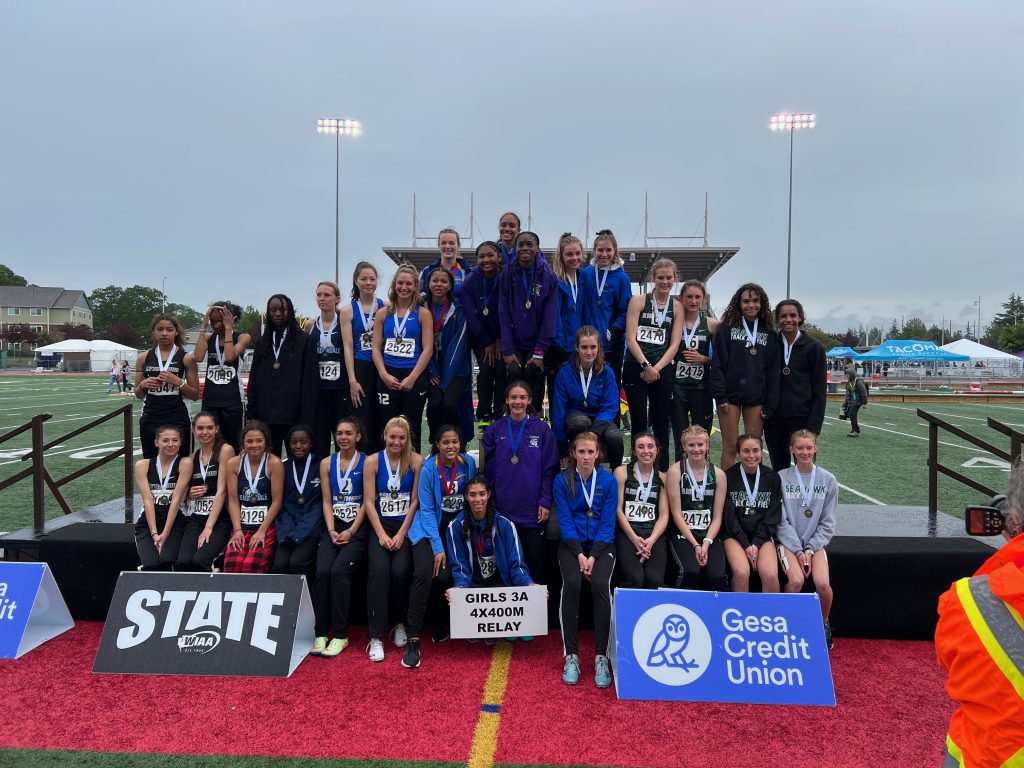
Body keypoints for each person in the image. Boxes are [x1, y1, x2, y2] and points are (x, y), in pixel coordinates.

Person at [937, 462, 1024, 767]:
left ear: (1012, 520)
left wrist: (1011, 550)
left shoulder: (968, 599)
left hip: (994, 753)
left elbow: (950, 661)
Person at [404, 425, 476, 667]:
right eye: (445, 442)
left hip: (454, 532)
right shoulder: (428, 469)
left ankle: (442, 621)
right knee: (426, 571)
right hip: (427, 531)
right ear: (437, 444)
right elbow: (425, 510)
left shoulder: (468, 465)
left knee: (446, 575)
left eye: (455, 442)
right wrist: (437, 547)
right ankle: (413, 636)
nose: (451, 446)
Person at [480, 381, 559, 587]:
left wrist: (545, 499)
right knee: (505, 562)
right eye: (513, 397)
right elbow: (489, 469)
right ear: (506, 400)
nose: (518, 402)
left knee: (535, 564)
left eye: (522, 397)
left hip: (533, 509)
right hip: (504, 508)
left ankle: (538, 616)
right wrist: (491, 500)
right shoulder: (495, 430)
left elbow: (549, 468)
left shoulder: (541, 429)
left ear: (530, 400)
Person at [554, 432, 617, 688]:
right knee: (572, 583)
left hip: (602, 547)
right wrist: (580, 554)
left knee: (601, 585)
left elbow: (607, 521)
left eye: (591, 452)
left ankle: (601, 656)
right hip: (572, 547)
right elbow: (566, 521)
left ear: (598, 454)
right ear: (573, 453)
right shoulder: (562, 480)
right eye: (581, 452)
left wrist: (593, 555)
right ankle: (572, 655)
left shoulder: (609, 481)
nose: (586, 457)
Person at [362, 416, 424, 663]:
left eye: (401, 437)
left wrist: (400, 534)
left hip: (404, 527)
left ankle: (399, 623)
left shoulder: (417, 461)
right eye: (392, 437)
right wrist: (381, 534)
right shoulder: (373, 461)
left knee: (400, 572)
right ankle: (376, 636)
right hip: (379, 526)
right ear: (385, 437)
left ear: (408, 438)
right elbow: (368, 501)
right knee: (379, 572)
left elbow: (415, 501)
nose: (396, 442)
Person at [312, 416, 370, 658]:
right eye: (339, 433)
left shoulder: (367, 462)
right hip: (333, 527)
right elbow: (327, 500)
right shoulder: (327, 463)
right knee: (323, 571)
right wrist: (331, 529)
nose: (343, 437)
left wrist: (351, 530)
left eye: (348, 433)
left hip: (356, 528)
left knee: (339, 572)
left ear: (358, 436)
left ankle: (342, 635)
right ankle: (321, 632)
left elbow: (368, 502)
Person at [776, 430, 837, 648]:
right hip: (789, 543)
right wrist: (799, 550)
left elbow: (828, 522)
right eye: (800, 448)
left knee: (822, 584)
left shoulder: (828, 479)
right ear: (792, 449)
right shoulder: (782, 477)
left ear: (815, 448)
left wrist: (811, 549)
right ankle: (787, 623)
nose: (805, 452)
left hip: (814, 544)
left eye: (809, 448)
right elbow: (781, 522)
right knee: (795, 581)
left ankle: (821, 622)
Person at [710, 283, 780, 469]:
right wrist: (720, 395)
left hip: (756, 397)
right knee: (731, 446)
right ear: (738, 304)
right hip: (729, 398)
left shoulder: (769, 333)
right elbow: (718, 364)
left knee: (753, 447)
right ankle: (727, 493)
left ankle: (755, 492)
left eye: (756, 301)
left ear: (762, 303)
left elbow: (773, 372)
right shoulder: (726, 329)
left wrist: (770, 403)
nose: (751, 305)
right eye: (746, 301)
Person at [623, 259, 682, 471]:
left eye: (669, 277)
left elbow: (675, 343)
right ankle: (636, 469)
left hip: (662, 370)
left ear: (675, 279)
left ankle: (661, 469)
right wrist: (646, 366)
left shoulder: (677, 306)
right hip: (636, 368)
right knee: (639, 421)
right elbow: (630, 339)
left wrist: (656, 368)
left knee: (660, 423)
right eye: (660, 277)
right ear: (652, 279)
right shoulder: (638, 301)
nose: (664, 281)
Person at [246, 294, 317, 456]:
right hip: (266, 418)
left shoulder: (305, 341)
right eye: (273, 310)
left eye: (282, 310)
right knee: (269, 463)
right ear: (268, 313)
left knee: (297, 464)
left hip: (295, 418)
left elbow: (310, 383)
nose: (277, 314)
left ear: (289, 311)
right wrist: (252, 414)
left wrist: (306, 420)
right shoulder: (262, 342)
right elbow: (254, 380)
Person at [372, 265, 433, 455]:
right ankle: (388, 468)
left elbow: (428, 348)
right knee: (387, 424)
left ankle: (412, 469)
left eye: (408, 283)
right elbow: (375, 347)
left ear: (415, 286)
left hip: (413, 375)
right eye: (400, 283)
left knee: (412, 424)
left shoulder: (423, 314)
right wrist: (383, 374)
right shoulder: (383, 313)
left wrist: (413, 377)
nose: (404, 287)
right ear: (394, 285)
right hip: (388, 374)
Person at [445, 475, 533, 604]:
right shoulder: (455, 526)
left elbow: (516, 563)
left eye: (482, 494)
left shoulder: (505, 525)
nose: (478, 499)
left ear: (489, 494)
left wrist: (528, 584)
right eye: (472, 495)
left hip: (501, 589)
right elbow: (459, 566)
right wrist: (460, 589)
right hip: (471, 591)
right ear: (466, 497)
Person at [498, 231, 558, 411]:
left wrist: (540, 352)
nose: (525, 248)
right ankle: (511, 415)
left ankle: (534, 415)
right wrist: (507, 350)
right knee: (514, 371)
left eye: (529, 244)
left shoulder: (548, 275)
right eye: (521, 244)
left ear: (537, 248)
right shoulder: (507, 273)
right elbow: (503, 312)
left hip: (536, 340)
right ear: (516, 247)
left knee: (534, 371)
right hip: (514, 340)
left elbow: (550, 316)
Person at [764, 299, 826, 470]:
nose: (788, 319)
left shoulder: (814, 347)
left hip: (802, 418)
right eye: (783, 316)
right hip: (774, 419)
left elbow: (820, 390)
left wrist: (813, 428)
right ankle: (782, 498)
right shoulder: (770, 344)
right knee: (779, 467)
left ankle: (808, 498)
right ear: (777, 319)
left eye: (793, 315)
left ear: (800, 318)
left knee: (806, 467)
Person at [551, 325, 624, 468]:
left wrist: (595, 433)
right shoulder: (565, 373)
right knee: (580, 422)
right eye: (584, 347)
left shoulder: (607, 372)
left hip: (601, 417)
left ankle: (616, 475)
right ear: (576, 347)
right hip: (575, 416)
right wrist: (561, 447)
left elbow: (610, 406)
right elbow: (558, 410)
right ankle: (576, 463)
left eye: (593, 347)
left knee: (614, 437)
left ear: (599, 348)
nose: (589, 352)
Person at [667, 426, 728, 591]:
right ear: (684, 447)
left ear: (707, 446)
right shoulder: (675, 471)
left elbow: (717, 517)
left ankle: (718, 611)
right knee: (690, 571)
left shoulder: (719, 475)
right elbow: (676, 514)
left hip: (709, 533)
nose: (696, 449)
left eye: (700, 445)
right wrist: (695, 545)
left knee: (717, 576)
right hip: (683, 533)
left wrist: (706, 543)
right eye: (691, 445)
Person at [175, 412, 235, 572]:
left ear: (217, 429)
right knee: (183, 562)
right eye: (200, 428)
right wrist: (190, 494)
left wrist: (209, 527)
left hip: (220, 519)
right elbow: (183, 496)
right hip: (196, 518)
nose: (204, 432)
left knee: (200, 560)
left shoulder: (225, 450)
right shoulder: (193, 457)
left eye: (209, 428)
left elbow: (222, 490)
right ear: (193, 430)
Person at [134, 314, 199, 460]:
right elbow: (138, 394)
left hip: (178, 416)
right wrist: (143, 385)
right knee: (150, 461)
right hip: (151, 416)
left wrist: (178, 382)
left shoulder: (186, 357)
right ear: (153, 332)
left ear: (176, 332)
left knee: (183, 463)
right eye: (160, 329)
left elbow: (195, 395)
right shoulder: (143, 358)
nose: (164, 333)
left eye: (169, 330)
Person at [722, 434, 782, 593]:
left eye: (755, 451)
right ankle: (740, 614)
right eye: (746, 451)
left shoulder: (772, 477)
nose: (751, 456)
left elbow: (773, 515)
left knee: (770, 574)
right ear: (738, 453)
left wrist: (756, 543)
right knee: (742, 572)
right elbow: (729, 517)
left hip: (761, 536)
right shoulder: (728, 476)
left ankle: (770, 614)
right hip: (734, 536)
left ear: (761, 452)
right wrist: (745, 544)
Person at [223, 420, 285, 573]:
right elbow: (233, 501)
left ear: (266, 442)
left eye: (259, 441)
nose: (254, 445)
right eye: (249, 441)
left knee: (250, 565)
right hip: (242, 526)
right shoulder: (233, 464)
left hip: (266, 526)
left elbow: (277, 502)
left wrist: (262, 531)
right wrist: (237, 530)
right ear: (243, 443)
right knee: (232, 565)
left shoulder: (274, 463)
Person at [670, 279, 718, 463]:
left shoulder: (712, 324)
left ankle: (704, 474)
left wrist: (703, 359)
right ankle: (680, 475)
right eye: (689, 296)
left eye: (698, 297)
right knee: (680, 435)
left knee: (702, 435)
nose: (693, 301)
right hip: (677, 387)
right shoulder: (673, 322)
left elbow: (723, 360)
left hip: (701, 387)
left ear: (704, 299)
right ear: (681, 298)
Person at [339, 262, 385, 455]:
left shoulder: (385, 306)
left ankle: (379, 459)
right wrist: (352, 379)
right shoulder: (347, 310)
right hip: (360, 366)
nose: (368, 283)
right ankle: (360, 458)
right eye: (364, 279)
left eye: (372, 279)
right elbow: (348, 347)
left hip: (381, 366)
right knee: (360, 415)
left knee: (380, 414)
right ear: (356, 281)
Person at [546, 233, 595, 410]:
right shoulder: (554, 279)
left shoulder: (584, 277)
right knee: (558, 394)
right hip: (559, 348)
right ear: (561, 255)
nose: (574, 258)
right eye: (569, 254)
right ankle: (557, 436)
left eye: (577, 253)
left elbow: (586, 311)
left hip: (578, 346)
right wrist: (562, 347)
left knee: (576, 392)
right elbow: (554, 317)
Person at [614, 432, 669, 589]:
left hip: (653, 535)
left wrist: (651, 540)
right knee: (635, 579)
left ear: (657, 450)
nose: (646, 451)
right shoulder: (622, 472)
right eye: (641, 447)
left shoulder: (663, 478)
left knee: (655, 580)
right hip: (628, 533)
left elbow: (664, 515)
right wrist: (634, 538)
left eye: (650, 446)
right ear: (634, 451)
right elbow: (618, 509)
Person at [133, 425, 192, 570]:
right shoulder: (142, 465)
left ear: (180, 442)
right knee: (151, 564)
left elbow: (176, 499)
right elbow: (147, 500)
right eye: (165, 440)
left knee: (167, 560)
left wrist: (164, 534)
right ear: (156, 442)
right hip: (148, 523)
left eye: (175, 440)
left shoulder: (185, 463)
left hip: (175, 522)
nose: (170, 444)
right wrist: (154, 534)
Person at [194, 301, 250, 451]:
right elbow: (198, 357)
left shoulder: (242, 337)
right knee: (210, 445)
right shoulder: (207, 338)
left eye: (220, 321)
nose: (216, 325)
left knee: (233, 445)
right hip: (210, 401)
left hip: (232, 402)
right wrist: (203, 327)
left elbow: (229, 356)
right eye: (213, 321)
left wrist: (228, 329)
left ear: (232, 319)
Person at [424, 267, 472, 442]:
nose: (439, 284)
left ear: (451, 285)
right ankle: (436, 443)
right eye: (435, 281)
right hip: (431, 368)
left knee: (450, 405)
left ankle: (457, 442)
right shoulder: (421, 308)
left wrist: (445, 377)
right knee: (435, 405)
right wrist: (432, 370)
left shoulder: (459, 309)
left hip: (456, 369)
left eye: (444, 281)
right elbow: (420, 343)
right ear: (428, 284)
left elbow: (459, 345)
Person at [303, 281, 350, 458]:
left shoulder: (344, 322)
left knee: (342, 437)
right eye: (319, 295)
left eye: (327, 295)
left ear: (337, 298)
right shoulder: (310, 325)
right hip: (319, 390)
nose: (322, 298)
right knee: (320, 438)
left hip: (340, 389)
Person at [461, 241, 505, 428]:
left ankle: (501, 413)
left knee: (502, 368)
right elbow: (472, 315)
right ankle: (484, 413)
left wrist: (501, 338)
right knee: (487, 368)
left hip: (504, 336)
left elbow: (510, 310)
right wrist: (487, 341)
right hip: (481, 337)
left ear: (499, 257)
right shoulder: (470, 281)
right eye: (481, 256)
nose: (486, 260)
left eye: (490, 255)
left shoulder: (506, 277)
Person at [273, 424, 324, 577]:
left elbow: (320, 504)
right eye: (294, 442)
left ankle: (307, 600)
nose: (298, 446)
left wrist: (300, 531)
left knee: (298, 563)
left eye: (303, 442)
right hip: (288, 527)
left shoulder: (321, 465)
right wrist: (289, 531)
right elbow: (282, 503)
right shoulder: (284, 467)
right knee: (280, 564)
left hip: (312, 526)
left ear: (311, 443)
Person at [589, 229, 632, 389]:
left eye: (608, 250)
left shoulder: (621, 278)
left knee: (610, 387)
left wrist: (613, 331)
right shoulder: (587, 273)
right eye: (600, 250)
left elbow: (625, 310)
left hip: (611, 345)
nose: (604, 254)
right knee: (589, 387)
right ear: (594, 251)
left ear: (614, 252)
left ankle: (613, 415)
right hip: (588, 343)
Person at [419, 227, 470, 304]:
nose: (447, 246)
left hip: (460, 315)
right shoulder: (426, 271)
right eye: (443, 243)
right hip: (433, 316)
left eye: (451, 243)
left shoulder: (468, 272)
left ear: (458, 245)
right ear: (438, 245)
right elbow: (418, 298)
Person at [843, 364, 869, 437]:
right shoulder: (849, 383)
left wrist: (864, 403)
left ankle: (856, 431)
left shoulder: (858, 382)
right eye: (846, 374)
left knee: (852, 414)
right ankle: (853, 429)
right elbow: (847, 394)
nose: (847, 376)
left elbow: (863, 393)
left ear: (852, 374)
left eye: (848, 374)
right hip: (851, 402)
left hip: (857, 402)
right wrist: (845, 403)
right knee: (850, 415)